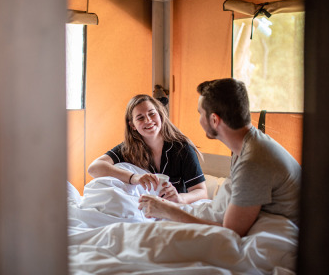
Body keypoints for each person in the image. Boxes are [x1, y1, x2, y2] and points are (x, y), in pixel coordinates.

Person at [138, 78, 301, 237]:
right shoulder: (248, 145)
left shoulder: (254, 162)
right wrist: (178, 205)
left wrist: (169, 212)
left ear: (214, 119)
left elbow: (230, 232)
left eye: (200, 113)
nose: (199, 119)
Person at [88, 94, 208, 204]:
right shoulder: (127, 149)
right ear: (132, 125)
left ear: (160, 115)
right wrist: (134, 177)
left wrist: (180, 198)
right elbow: (94, 168)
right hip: (139, 210)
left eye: (152, 113)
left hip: (171, 211)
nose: (148, 120)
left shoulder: (182, 149)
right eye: (140, 118)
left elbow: (202, 192)